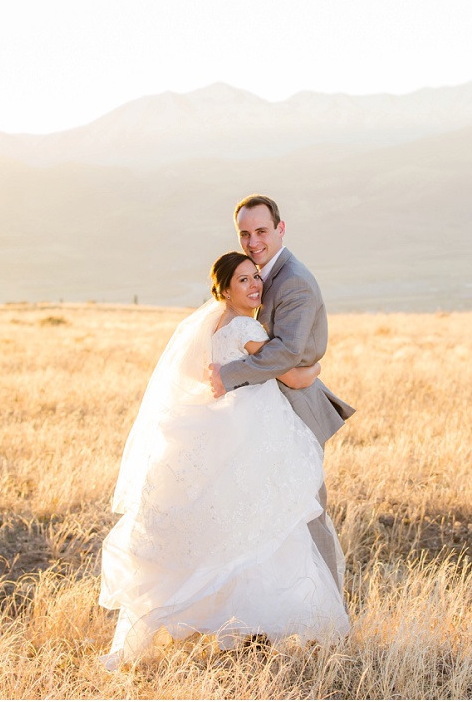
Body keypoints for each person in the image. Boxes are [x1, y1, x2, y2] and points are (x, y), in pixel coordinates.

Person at [98, 252, 350, 669]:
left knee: (231, 522)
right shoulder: (248, 326)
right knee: (265, 520)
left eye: (256, 278)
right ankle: (261, 622)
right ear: (225, 289)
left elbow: (195, 373)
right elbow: (293, 373)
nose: (255, 286)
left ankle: (234, 625)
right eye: (244, 281)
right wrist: (318, 363)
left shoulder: (212, 326)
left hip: (229, 429)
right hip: (253, 434)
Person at [209, 194, 355, 592]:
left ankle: (329, 616)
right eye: (244, 233)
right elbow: (289, 364)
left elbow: (286, 352)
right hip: (270, 411)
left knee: (306, 510)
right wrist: (301, 372)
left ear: (280, 229)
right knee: (269, 513)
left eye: (261, 231)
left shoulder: (294, 282)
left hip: (296, 412)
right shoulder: (261, 276)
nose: (253, 241)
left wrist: (231, 374)